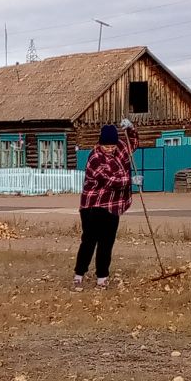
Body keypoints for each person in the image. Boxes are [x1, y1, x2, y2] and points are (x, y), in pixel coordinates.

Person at [75, 123, 135, 289]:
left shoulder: (119, 148)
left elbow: (133, 143)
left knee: (107, 242)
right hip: (93, 205)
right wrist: (131, 181)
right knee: (89, 241)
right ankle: (79, 274)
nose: (110, 149)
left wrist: (130, 128)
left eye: (112, 145)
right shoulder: (95, 157)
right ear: (100, 144)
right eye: (106, 146)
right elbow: (109, 180)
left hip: (112, 205)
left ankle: (102, 277)